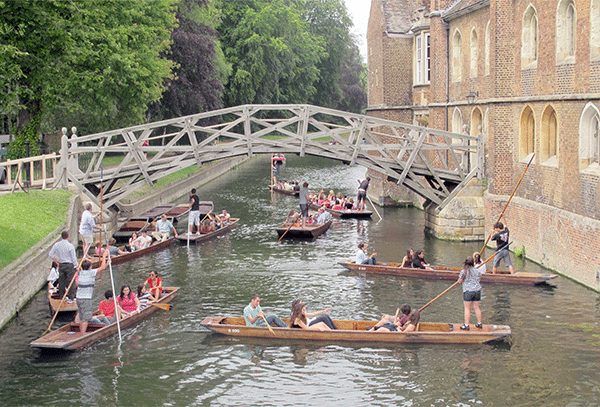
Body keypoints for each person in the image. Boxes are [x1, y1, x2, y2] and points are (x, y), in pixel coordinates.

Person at [75, 252, 108, 332]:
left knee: (82, 317)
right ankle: (82, 335)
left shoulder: (80, 273)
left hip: (78, 298)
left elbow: (77, 283)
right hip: (85, 298)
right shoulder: (91, 273)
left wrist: (107, 263)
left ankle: (81, 332)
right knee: (86, 319)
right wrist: (104, 256)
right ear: (90, 267)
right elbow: (102, 267)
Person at [49, 230, 79, 302]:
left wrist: (56, 261)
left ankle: (62, 297)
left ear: (61, 237)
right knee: (71, 281)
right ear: (68, 236)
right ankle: (71, 298)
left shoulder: (57, 245)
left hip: (61, 265)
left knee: (61, 281)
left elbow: (50, 254)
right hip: (69, 265)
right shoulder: (70, 246)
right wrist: (76, 266)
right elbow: (73, 258)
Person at [457, 256, 485, 330]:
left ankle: (466, 325)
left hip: (468, 292)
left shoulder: (464, 271)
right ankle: (479, 324)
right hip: (477, 291)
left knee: (467, 308)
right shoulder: (477, 271)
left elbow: (460, 281)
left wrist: (460, 280)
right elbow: (479, 279)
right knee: (477, 307)